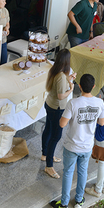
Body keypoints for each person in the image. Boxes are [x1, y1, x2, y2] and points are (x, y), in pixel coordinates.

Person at [50, 74, 104, 208]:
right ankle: (79, 200)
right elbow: (102, 123)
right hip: (87, 146)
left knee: (68, 173)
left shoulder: (73, 103)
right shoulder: (99, 102)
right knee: (83, 172)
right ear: (93, 87)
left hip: (71, 145)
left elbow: (62, 124)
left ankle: (64, 203)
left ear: (79, 86)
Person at [42, 49, 76, 179]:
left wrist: (69, 79)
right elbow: (61, 96)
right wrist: (71, 88)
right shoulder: (61, 76)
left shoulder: (54, 70)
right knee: (55, 136)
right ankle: (49, 166)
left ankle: (45, 154)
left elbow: (58, 85)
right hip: (57, 108)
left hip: (49, 104)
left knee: (48, 130)